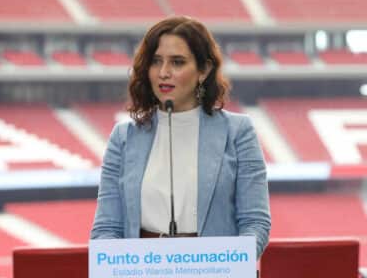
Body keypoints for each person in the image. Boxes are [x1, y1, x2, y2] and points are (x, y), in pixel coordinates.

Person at [91, 16, 271, 257]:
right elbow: (106, 229)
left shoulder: (238, 132)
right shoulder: (123, 137)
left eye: (177, 62)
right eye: (156, 62)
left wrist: (230, 264)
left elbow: (255, 223)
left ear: (204, 70)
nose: (164, 73)